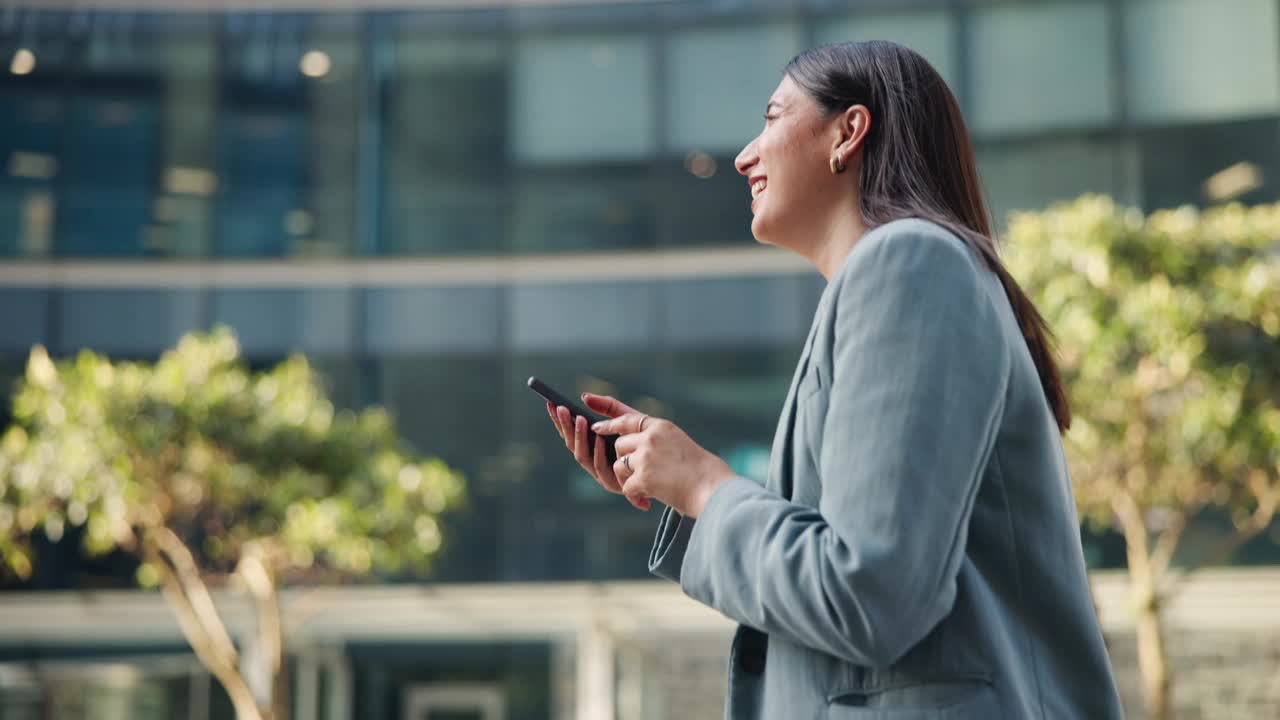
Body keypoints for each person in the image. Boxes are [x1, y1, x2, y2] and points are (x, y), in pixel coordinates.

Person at [545, 40, 1122, 719]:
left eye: (772, 117)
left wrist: (705, 484)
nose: (743, 155)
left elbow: (868, 594)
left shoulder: (910, 263)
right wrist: (675, 486)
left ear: (848, 131)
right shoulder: (902, 276)